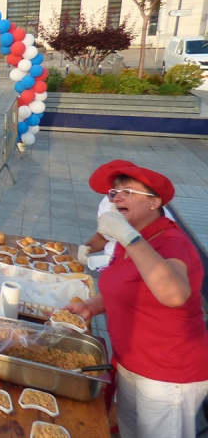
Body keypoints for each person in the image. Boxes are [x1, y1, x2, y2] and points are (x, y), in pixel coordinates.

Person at [65, 161, 208, 438]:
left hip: (167, 375)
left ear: (155, 201)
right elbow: (124, 289)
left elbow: (175, 294)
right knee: (129, 432)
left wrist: (129, 238)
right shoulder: (134, 238)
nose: (117, 198)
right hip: (132, 363)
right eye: (115, 193)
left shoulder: (169, 242)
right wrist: (89, 306)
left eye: (128, 192)